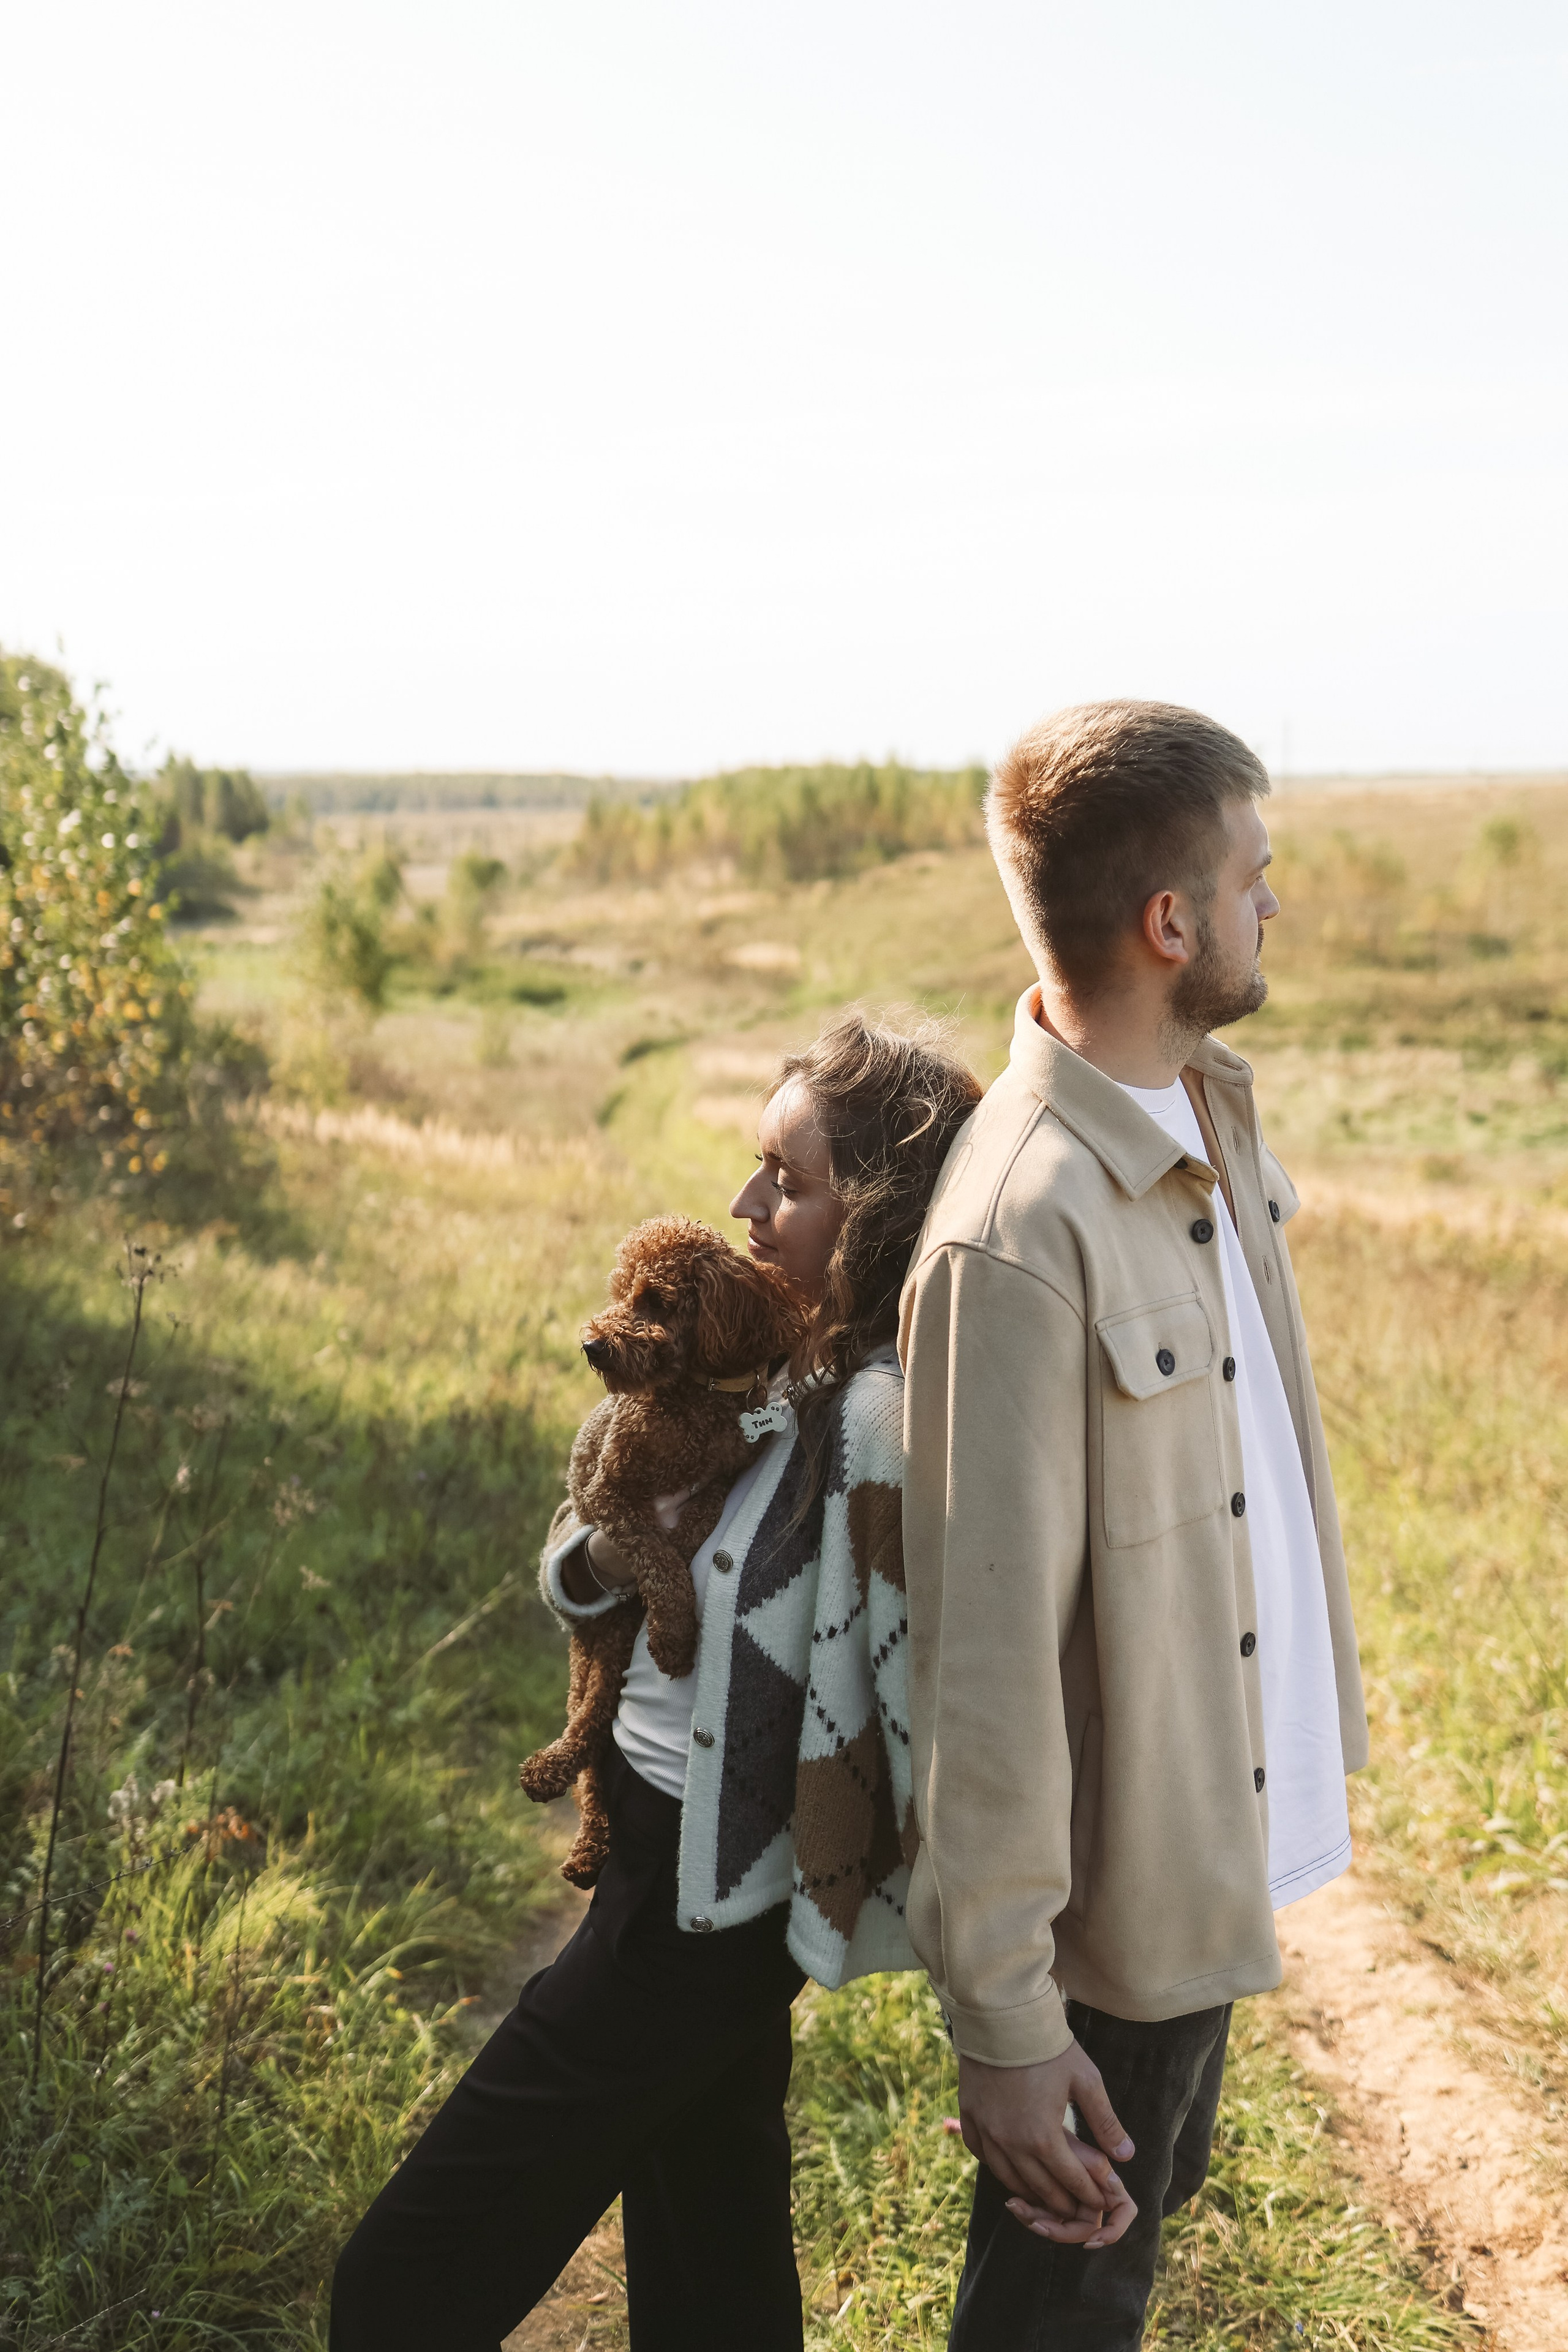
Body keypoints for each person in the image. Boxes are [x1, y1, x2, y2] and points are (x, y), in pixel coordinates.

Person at [331, 1009, 981, 2352]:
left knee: (403, 2275)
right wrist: (615, 1551)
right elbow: (585, 1550)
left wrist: (989, 1989)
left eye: (787, 1183)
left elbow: (910, 1695)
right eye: (756, 1168)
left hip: (705, 1897)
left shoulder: (871, 1421)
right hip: (651, 1841)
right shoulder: (753, 1368)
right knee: (709, 2227)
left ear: (873, 1214)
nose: (746, 1206)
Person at [898, 701, 1368, 2350]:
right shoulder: (1019, 1228)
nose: (1271, 904)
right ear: (1169, 923)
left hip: (1209, 1830)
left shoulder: (1206, 1110)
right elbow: (981, 1670)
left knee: (1126, 2250)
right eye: (1252, 878)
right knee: (1057, 2312)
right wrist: (1007, 2023)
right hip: (1110, 1917)